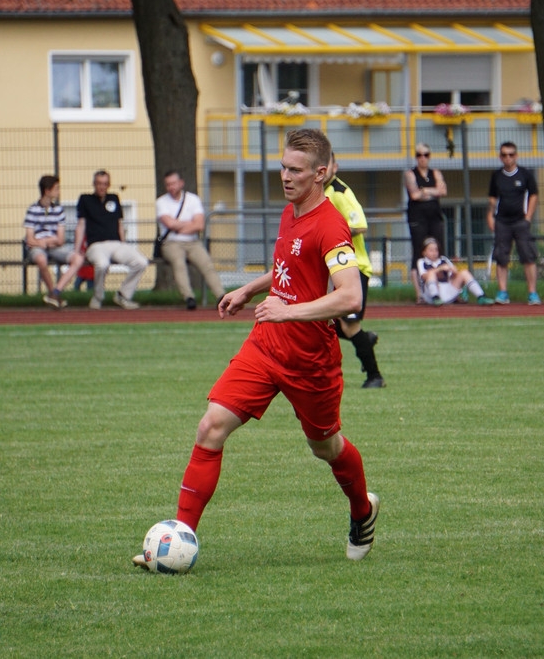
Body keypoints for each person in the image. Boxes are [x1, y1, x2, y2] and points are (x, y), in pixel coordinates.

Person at [133, 129, 379, 568]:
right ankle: (177, 541)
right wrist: (250, 289)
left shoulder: (330, 225)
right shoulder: (290, 212)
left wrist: (288, 311)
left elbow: (349, 296)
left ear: (320, 174)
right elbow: (288, 267)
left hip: (310, 359)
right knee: (211, 426)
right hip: (265, 346)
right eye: (283, 167)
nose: (285, 176)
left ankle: (362, 510)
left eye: (295, 170)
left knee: (326, 447)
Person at [324, 153, 386, 389]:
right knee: (328, 322)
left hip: (355, 267)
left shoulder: (339, 192)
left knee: (349, 325)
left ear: (335, 167)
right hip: (338, 268)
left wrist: (329, 235)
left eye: (327, 164)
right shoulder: (323, 192)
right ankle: (364, 340)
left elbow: (360, 225)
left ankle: (375, 376)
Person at [73, 170, 150, 310]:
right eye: (99, 183)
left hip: (116, 244)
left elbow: (120, 224)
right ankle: (98, 297)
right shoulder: (85, 199)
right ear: (94, 184)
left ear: (108, 185)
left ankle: (123, 295)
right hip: (96, 245)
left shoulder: (114, 198)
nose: (102, 187)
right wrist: (77, 250)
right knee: (102, 264)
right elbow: (81, 225)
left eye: (105, 184)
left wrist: (124, 244)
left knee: (141, 262)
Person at [156, 170, 226, 310]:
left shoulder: (193, 199)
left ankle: (221, 296)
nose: (171, 187)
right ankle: (189, 297)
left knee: (207, 264)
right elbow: (169, 224)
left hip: (193, 242)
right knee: (179, 264)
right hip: (171, 242)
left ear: (181, 183)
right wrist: (189, 224)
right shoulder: (161, 202)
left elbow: (199, 225)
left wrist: (180, 226)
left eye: (174, 183)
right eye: (168, 184)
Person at [487, 141, 541, 305]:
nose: (508, 158)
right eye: (504, 155)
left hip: (520, 222)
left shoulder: (525, 174)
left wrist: (528, 217)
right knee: (501, 258)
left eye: (511, 155)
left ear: (516, 156)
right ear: (500, 157)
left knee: (528, 257)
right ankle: (503, 292)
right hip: (502, 222)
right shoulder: (496, 176)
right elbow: (492, 198)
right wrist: (490, 216)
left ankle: (532, 293)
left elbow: (534, 195)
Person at [22, 174, 82, 309]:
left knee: (78, 259)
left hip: (53, 246)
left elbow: (60, 239)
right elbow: (30, 239)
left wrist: (44, 241)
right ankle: (53, 294)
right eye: (56, 188)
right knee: (41, 260)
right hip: (38, 247)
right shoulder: (32, 210)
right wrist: (42, 243)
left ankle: (56, 292)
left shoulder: (58, 210)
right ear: (47, 191)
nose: (58, 191)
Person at [405, 143, 448, 304]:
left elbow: (443, 191)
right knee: (418, 253)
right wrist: (433, 191)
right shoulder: (410, 174)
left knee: (439, 252)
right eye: (419, 155)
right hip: (417, 218)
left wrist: (425, 190)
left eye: (426, 155)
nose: (422, 158)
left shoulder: (436, 173)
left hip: (435, 217)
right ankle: (419, 294)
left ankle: (442, 290)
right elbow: (414, 195)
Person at [415, 237, 495, 306]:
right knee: (431, 274)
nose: (434, 253)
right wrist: (440, 269)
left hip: (446, 290)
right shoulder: (422, 262)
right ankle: (435, 298)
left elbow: (454, 274)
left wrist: (453, 271)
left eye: (436, 250)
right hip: (430, 294)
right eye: (431, 250)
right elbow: (424, 276)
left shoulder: (444, 260)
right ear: (424, 252)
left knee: (464, 272)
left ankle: (481, 296)